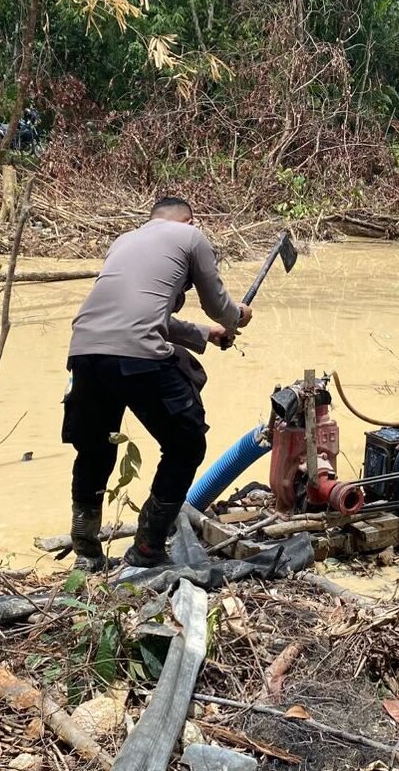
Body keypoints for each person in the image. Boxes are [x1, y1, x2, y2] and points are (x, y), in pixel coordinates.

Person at [63, 197, 251, 571]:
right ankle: (147, 547)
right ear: (190, 220)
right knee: (186, 444)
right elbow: (218, 305)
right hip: (139, 355)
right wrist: (237, 316)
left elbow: (140, 315)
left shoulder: (124, 241)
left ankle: (86, 553)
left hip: (84, 350)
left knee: (96, 449)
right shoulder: (191, 236)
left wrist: (204, 333)